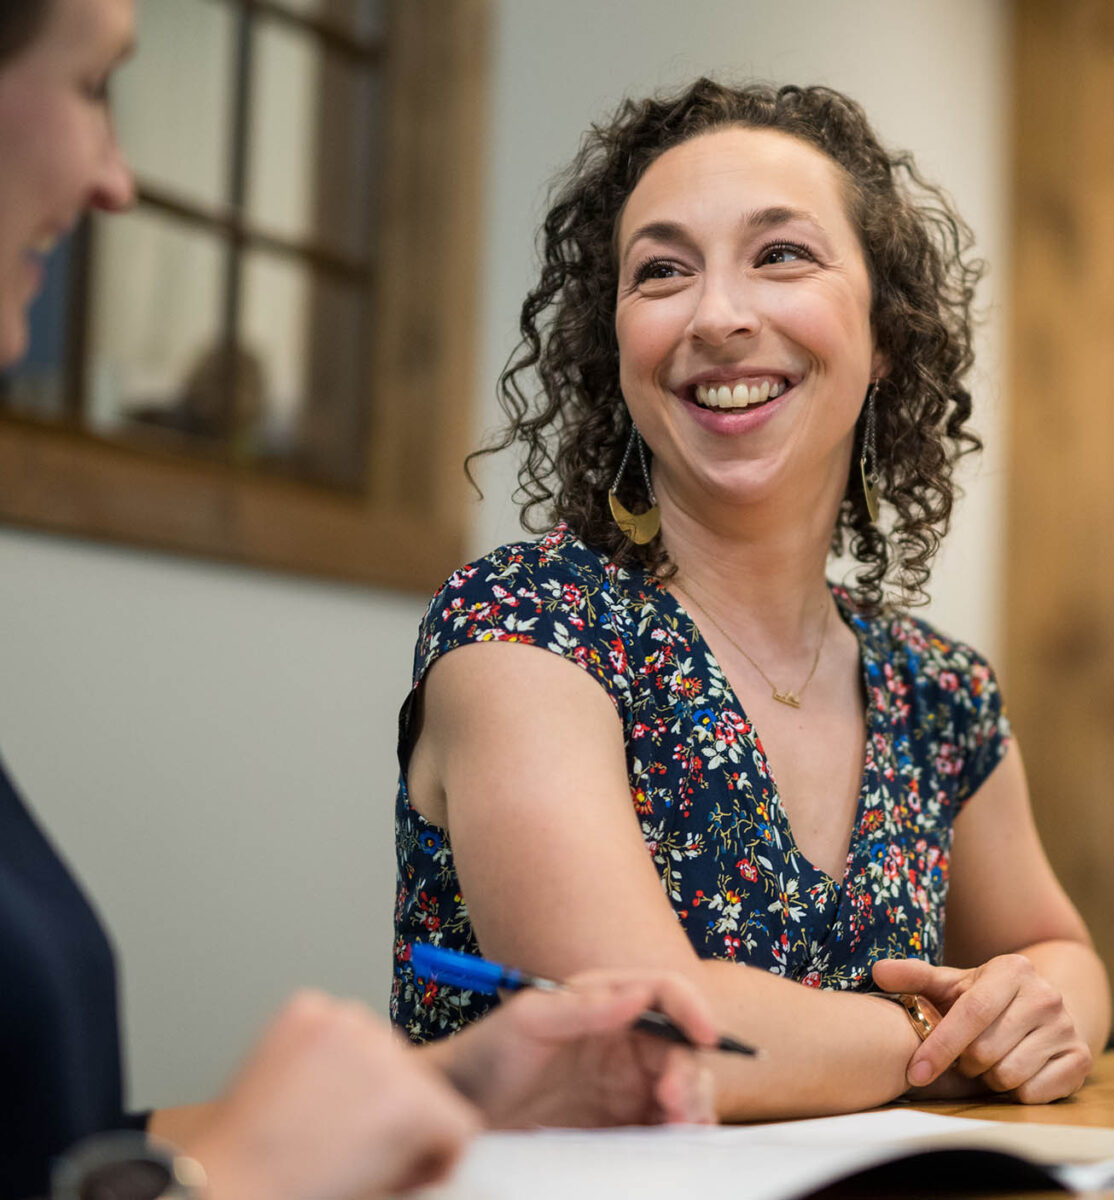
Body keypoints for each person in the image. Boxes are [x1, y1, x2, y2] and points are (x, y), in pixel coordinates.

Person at [0, 2, 718, 1197]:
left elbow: (36, 1143)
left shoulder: (929, 673)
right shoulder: (532, 617)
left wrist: (444, 1095)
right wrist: (230, 1177)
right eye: (91, 85)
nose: (115, 179)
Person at [392, 78, 1113, 1120]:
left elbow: (1066, 957)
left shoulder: (937, 688)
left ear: (884, 344)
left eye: (781, 254)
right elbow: (645, 1039)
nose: (718, 315)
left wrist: (1037, 1011)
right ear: (615, 355)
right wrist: (940, 1039)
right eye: (662, 271)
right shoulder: (524, 630)